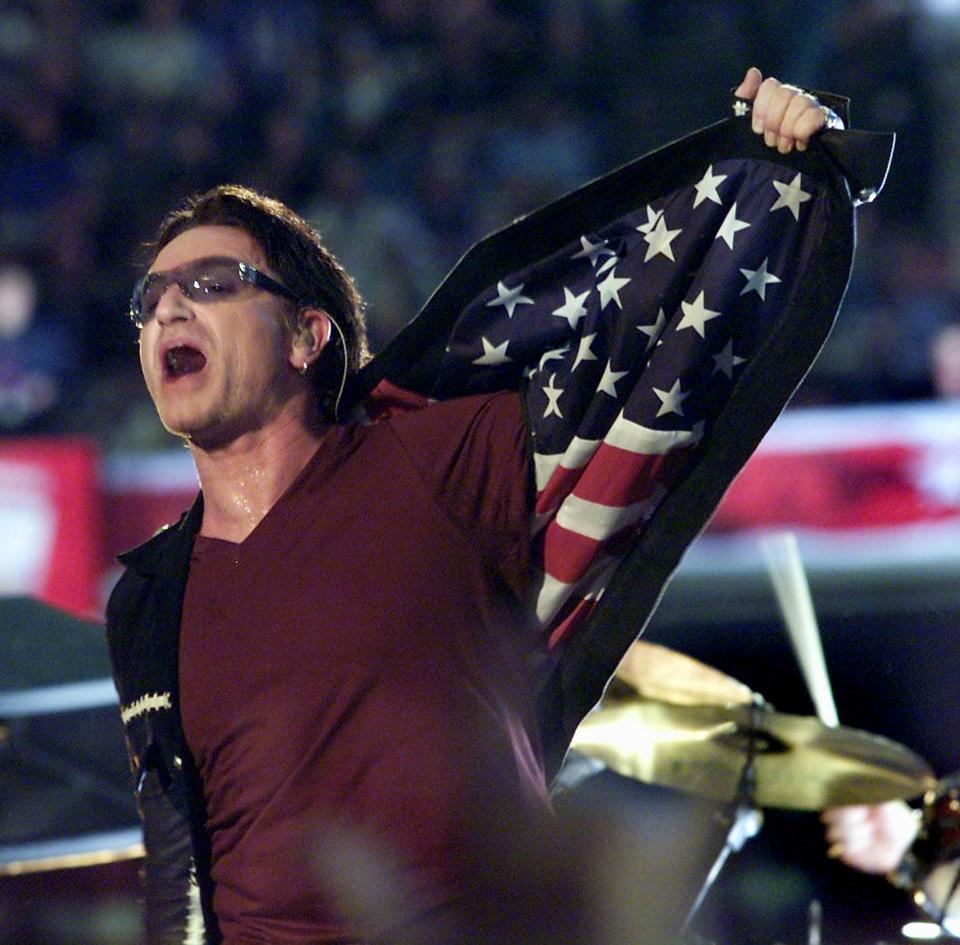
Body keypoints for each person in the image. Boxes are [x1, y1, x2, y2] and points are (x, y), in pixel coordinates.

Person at [106, 68, 838, 944]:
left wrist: (779, 161)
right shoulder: (147, 597)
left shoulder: (432, 459)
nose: (169, 307)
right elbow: (178, 866)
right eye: (150, 301)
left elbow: (657, 325)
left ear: (308, 335)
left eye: (214, 283)